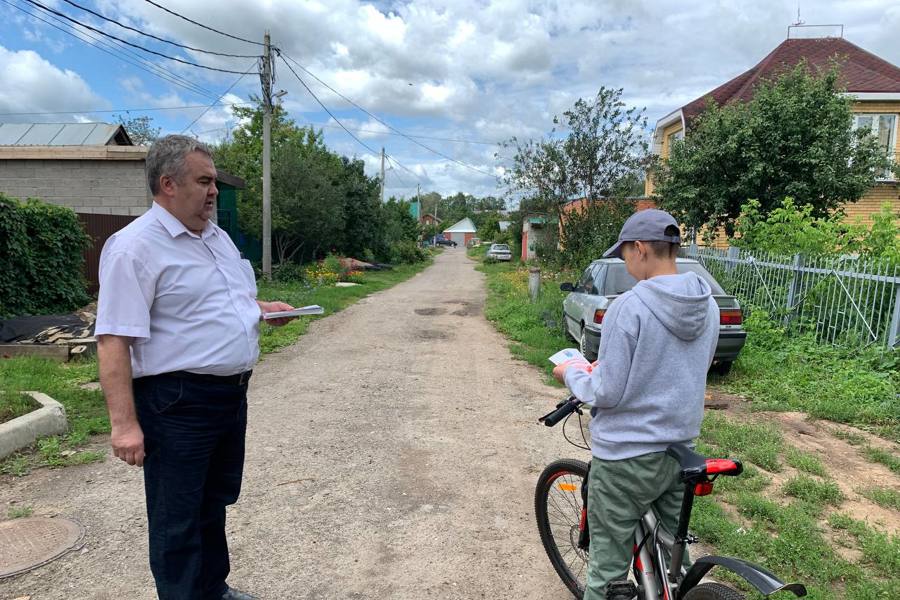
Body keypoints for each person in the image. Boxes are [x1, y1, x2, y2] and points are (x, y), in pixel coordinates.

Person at [95, 135, 296, 600]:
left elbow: (222, 303)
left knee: (214, 502)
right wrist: (124, 425)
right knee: (177, 517)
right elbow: (113, 339)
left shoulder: (216, 237)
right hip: (177, 403)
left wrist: (263, 308)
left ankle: (212, 589)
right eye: (204, 181)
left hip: (229, 396)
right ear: (168, 184)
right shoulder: (134, 248)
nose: (213, 192)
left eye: (214, 182)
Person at [552, 209, 719, 600]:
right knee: (671, 554)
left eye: (625, 255)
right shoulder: (708, 305)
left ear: (641, 249)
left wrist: (572, 373)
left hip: (626, 456)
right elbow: (695, 366)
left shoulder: (629, 307)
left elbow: (605, 392)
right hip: (679, 450)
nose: (626, 264)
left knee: (607, 572)